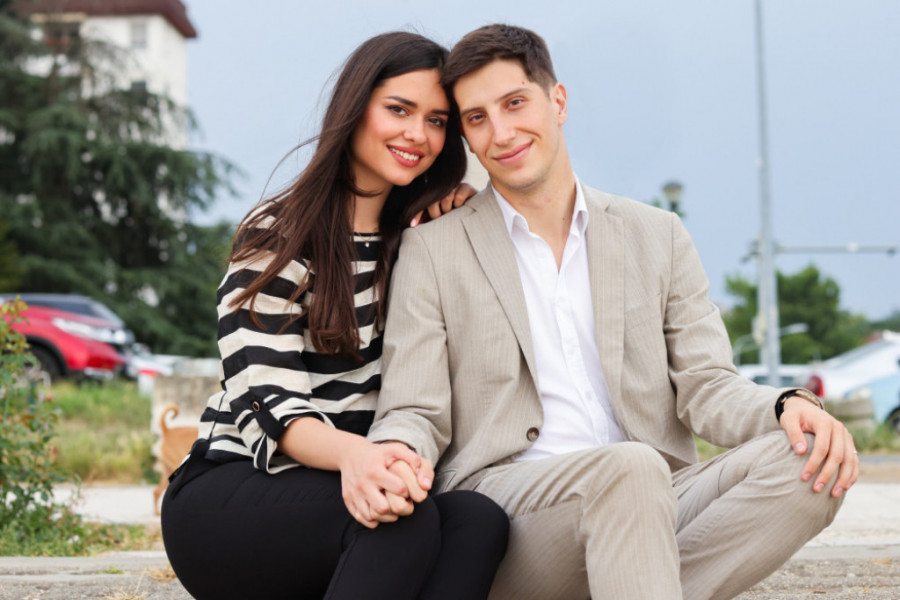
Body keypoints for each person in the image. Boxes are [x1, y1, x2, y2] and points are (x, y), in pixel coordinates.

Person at [367, 24, 859, 600]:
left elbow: (707, 385)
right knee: (628, 468)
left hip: (656, 497)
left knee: (810, 459)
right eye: (477, 118)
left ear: (558, 101)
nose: (501, 132)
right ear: (468, 139)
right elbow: (414, 409)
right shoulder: (433, 249)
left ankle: (629, 578)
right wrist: (395, 456)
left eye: (515, 103)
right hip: (513, 514)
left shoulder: (658, 234)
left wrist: (786, 405)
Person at [160, 31, 508, 600]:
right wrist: (358, 458)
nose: (417, 135)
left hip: (352, 492)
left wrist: (467, 216)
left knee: (478, 520)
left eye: (437, 121)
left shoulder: (421, 242)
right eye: (399, 110)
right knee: (401, 516)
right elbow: (268, 399)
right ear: (355, 107)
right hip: (232, 496)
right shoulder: (279, 232)